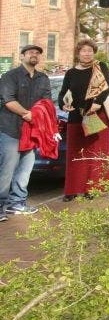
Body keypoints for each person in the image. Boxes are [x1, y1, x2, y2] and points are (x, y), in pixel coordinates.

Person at [57, 38, 109, 201]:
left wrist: (97, 103)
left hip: (96, 115)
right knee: (75, 154)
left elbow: (107, 87)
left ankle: (93, 188)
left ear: (93, 53)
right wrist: (63, 105)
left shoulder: (100, 67)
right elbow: (62, 93)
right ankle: (72, 190)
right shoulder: (70, 73)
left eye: (90, 51)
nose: (87, 54)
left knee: (95, 153)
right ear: (78, 53)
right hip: (76, 116)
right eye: (84, 51)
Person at [0, 44, 52, 219]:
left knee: (25, 170)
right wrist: (26, 113)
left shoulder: (43, 78)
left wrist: (38, 116)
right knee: (6, 170)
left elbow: (46, 102)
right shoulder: (10, 76)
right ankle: (0, 207)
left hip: (31, 132)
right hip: (10, 129)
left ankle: (17, 204)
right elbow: (8, 100)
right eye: (30, 52)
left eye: (37, 53)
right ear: (22, 56)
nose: (34, 55)